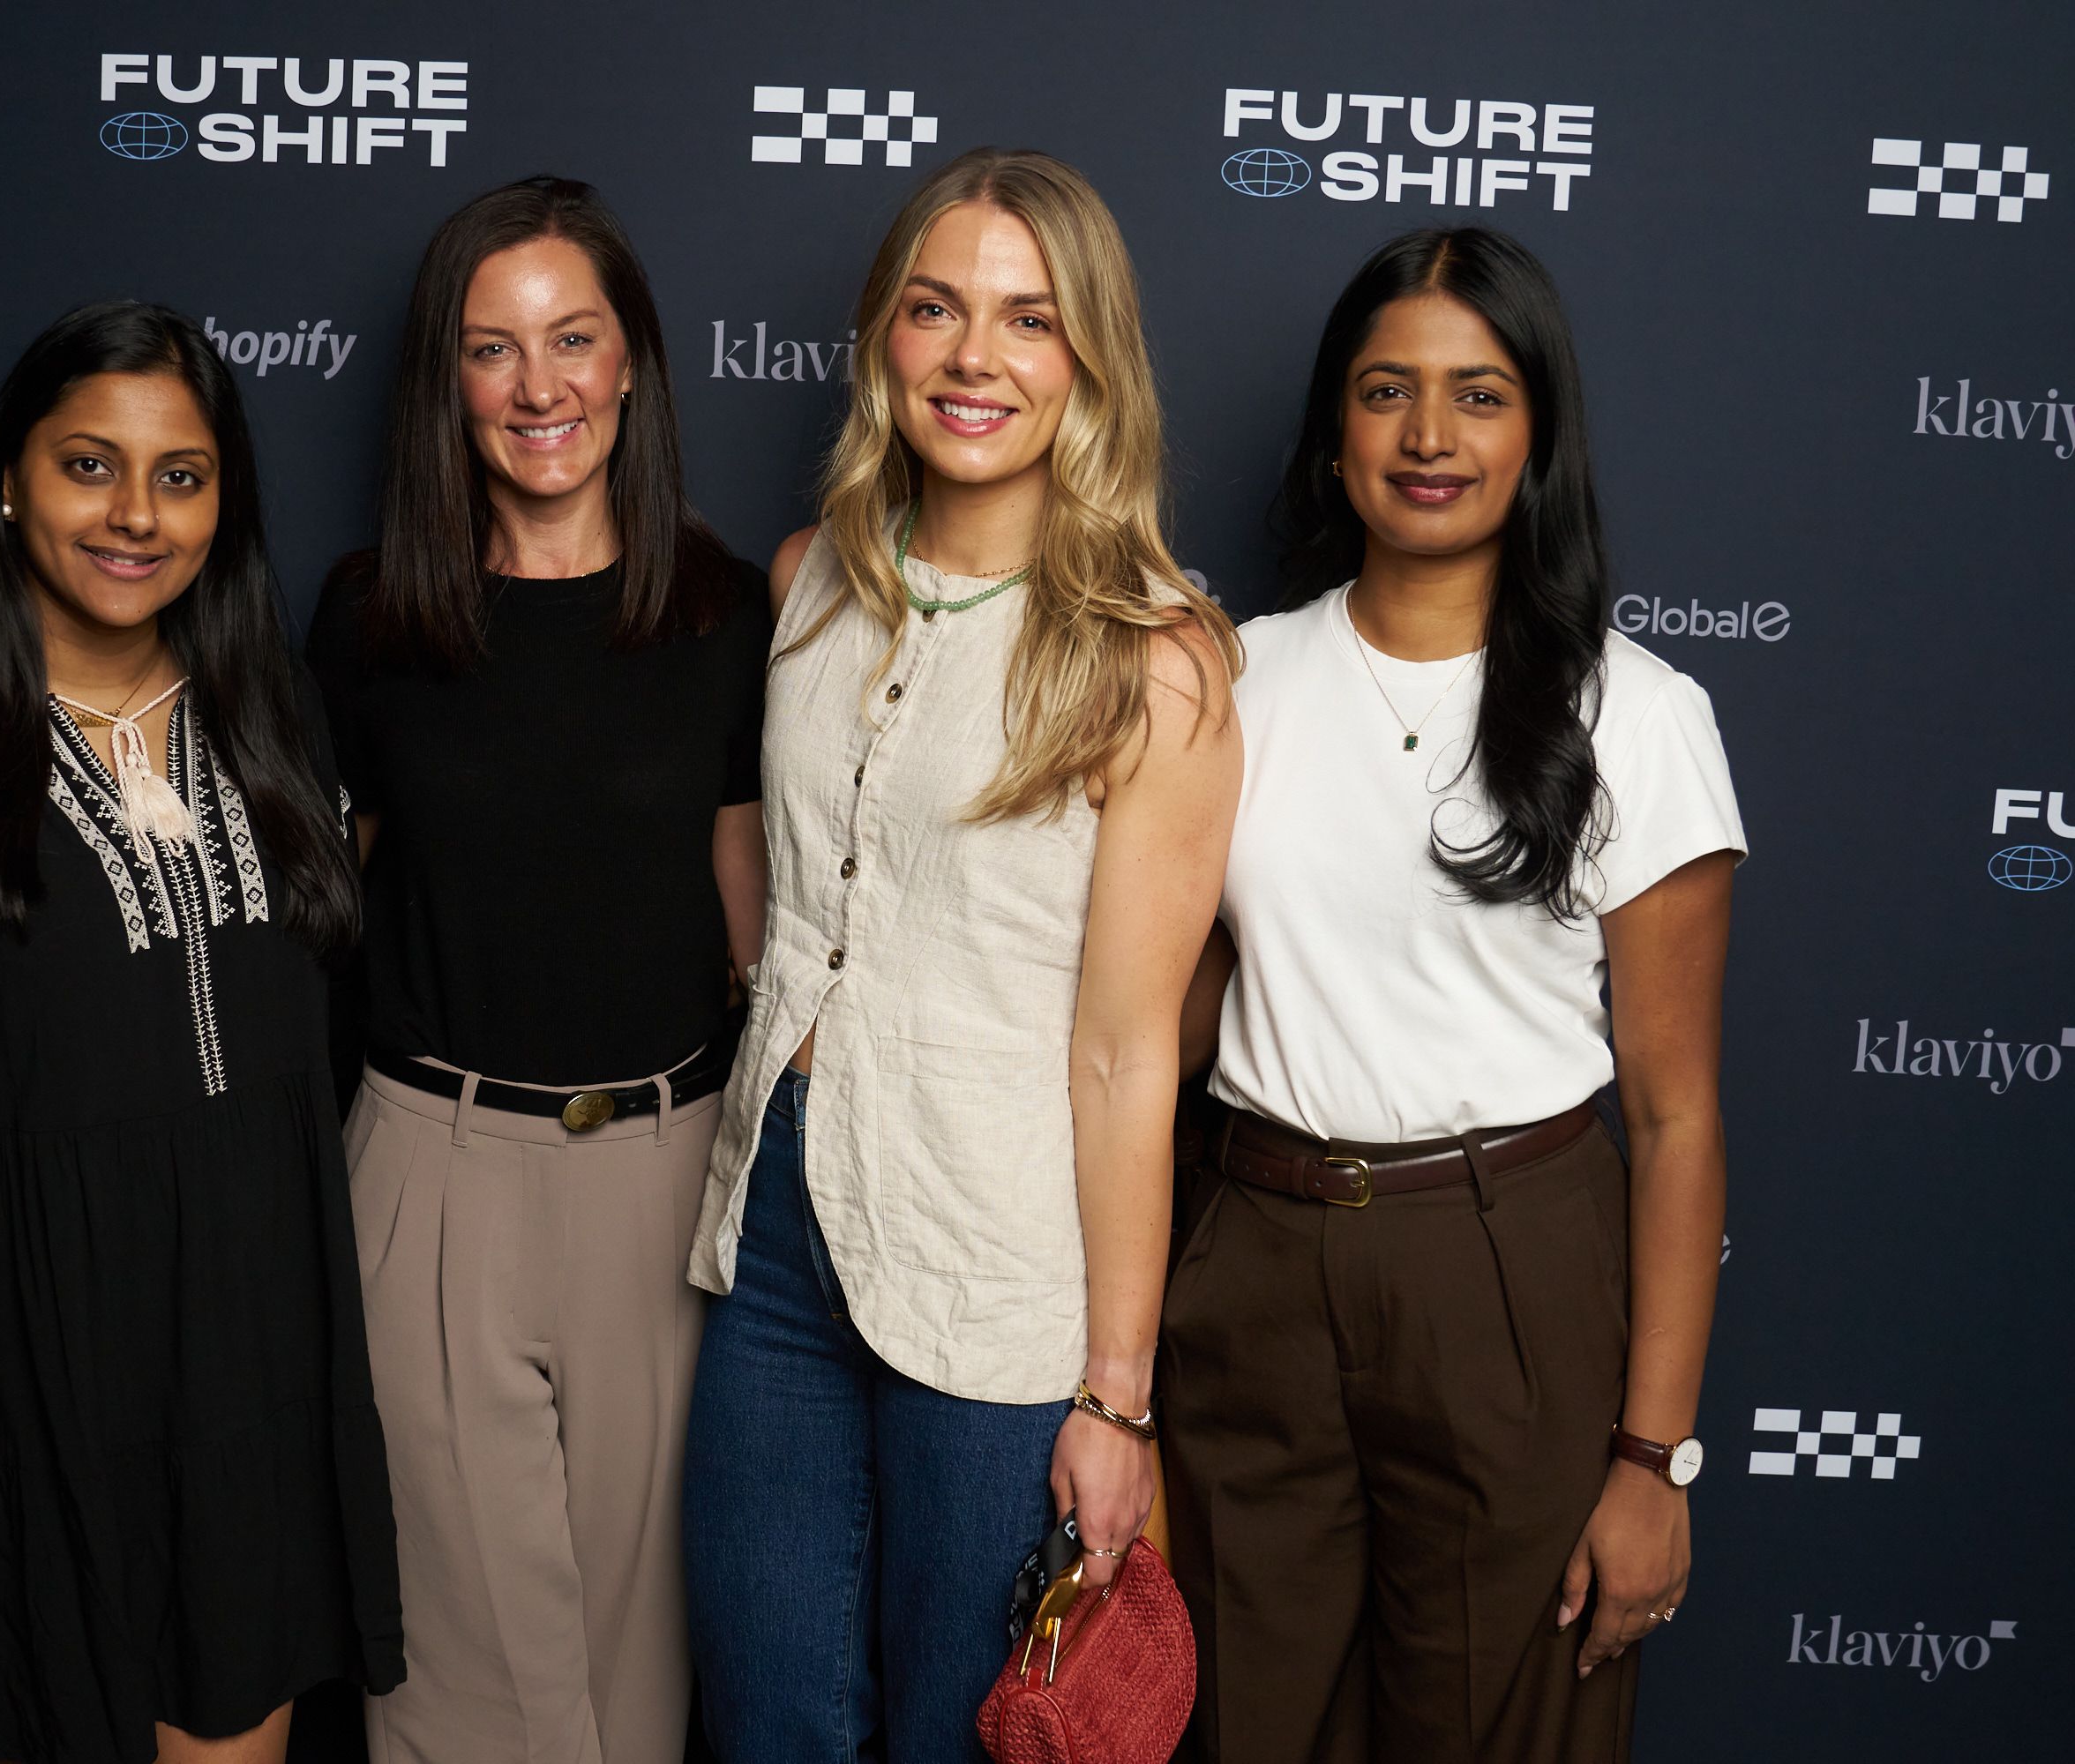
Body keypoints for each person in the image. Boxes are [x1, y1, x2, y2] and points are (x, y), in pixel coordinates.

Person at [0, 301, 400, 1764]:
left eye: (182, 476)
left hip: (249, 1381)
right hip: (11, 1391)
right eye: (88, 465)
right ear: (8, 482)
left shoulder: (276, 714)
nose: (135, 515)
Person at [682, 147, 1241, 1763]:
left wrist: (1116, 1396)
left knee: (958, 1731)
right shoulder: (807, 585)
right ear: (885, 338)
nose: (974, 356)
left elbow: (1130, 1056)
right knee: (768, 1720)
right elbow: (778, 879)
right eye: (936, 309)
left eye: (1028, 319)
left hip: (997, 1267)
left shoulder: (1156, 662)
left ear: (1090, 361)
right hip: (775, 1232)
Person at [1159, 228, 1744, 1763]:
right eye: (1387, 391)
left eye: (1479, 395)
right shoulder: (1228, 681)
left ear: (1538, 432)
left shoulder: (1641, 714)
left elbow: (1678, 1119)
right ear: (1334, 431)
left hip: (1510, 1274)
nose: (1429, 435)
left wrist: (1654, 1461)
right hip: (1251, 1260)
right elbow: (1158, 1033)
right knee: (1238, 1723)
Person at [308, 176, 770, 1764]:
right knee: (456, 1681)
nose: (539, 387)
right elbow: (324, 913)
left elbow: (749, 916)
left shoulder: (727, 613)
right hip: (433, 1170)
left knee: (640, 1692)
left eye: (573, 339)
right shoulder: (370, 619)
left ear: (633, 360)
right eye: (492, 348)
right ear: (445, 379)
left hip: (666, 1175)